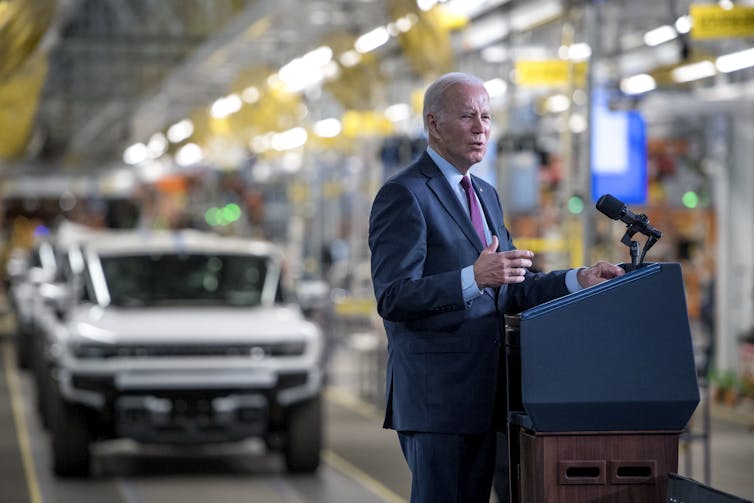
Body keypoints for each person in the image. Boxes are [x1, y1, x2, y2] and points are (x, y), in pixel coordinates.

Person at [367, 72, 624, 503]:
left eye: (486, 116)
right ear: (433, 124)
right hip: (437, 400)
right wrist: (473, 278)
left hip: (487, 396)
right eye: (467, 116)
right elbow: (394, 296)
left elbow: (510, 284)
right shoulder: (404, 194)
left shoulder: (485, 193)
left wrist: (576, 279)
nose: (480, 127)